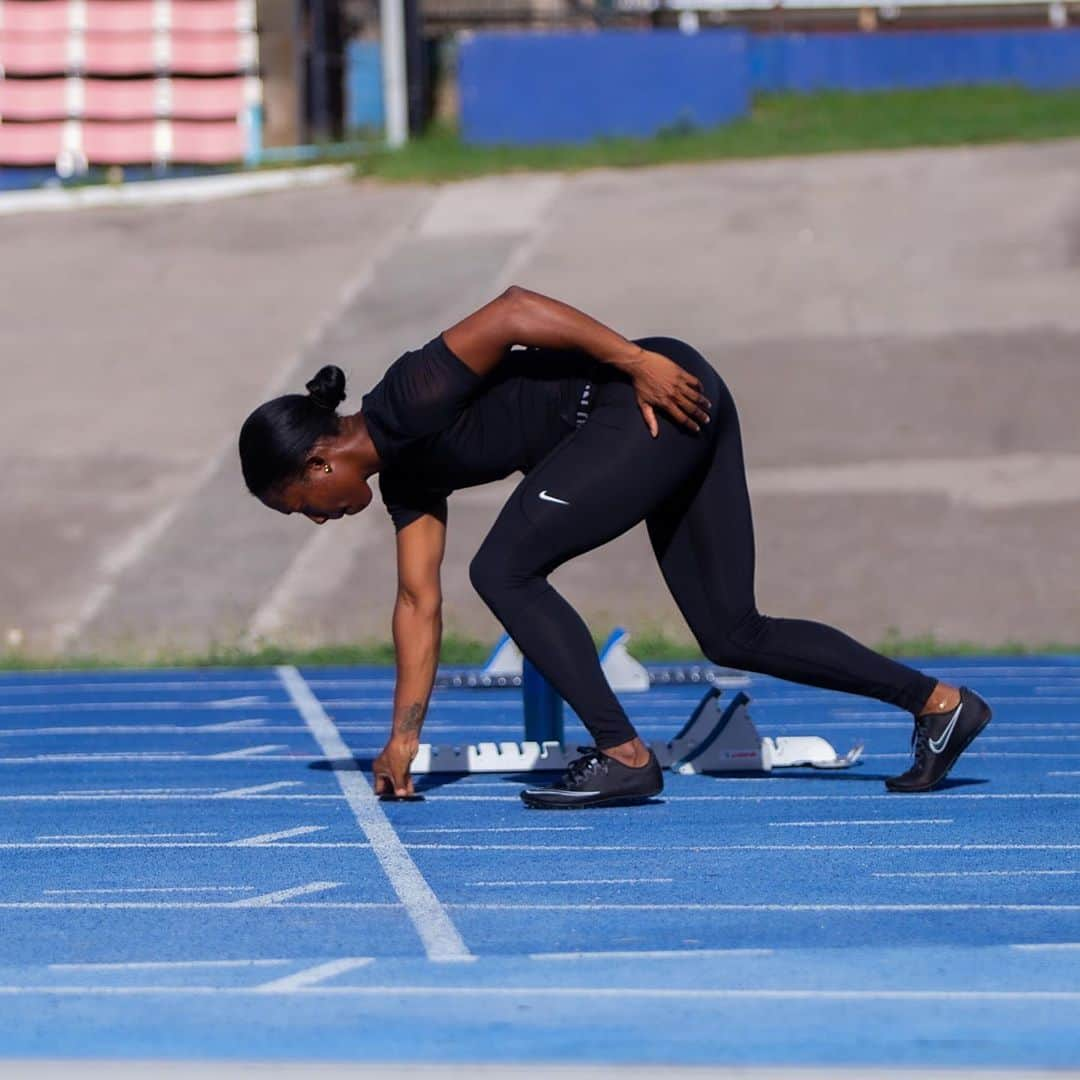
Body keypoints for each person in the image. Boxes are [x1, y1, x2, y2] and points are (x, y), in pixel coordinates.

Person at [238, 287, 991, 808]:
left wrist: (634, 361)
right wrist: (404, 739)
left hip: (646, 394)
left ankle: (624, 757)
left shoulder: (406, 395)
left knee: (503, 568)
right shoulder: (405, 478)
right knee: (734, 631)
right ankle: (939, 704)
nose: (316, 519)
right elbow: (417, 601)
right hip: (667, 403)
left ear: (317, 463)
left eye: (302, 506)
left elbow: (514, 311)